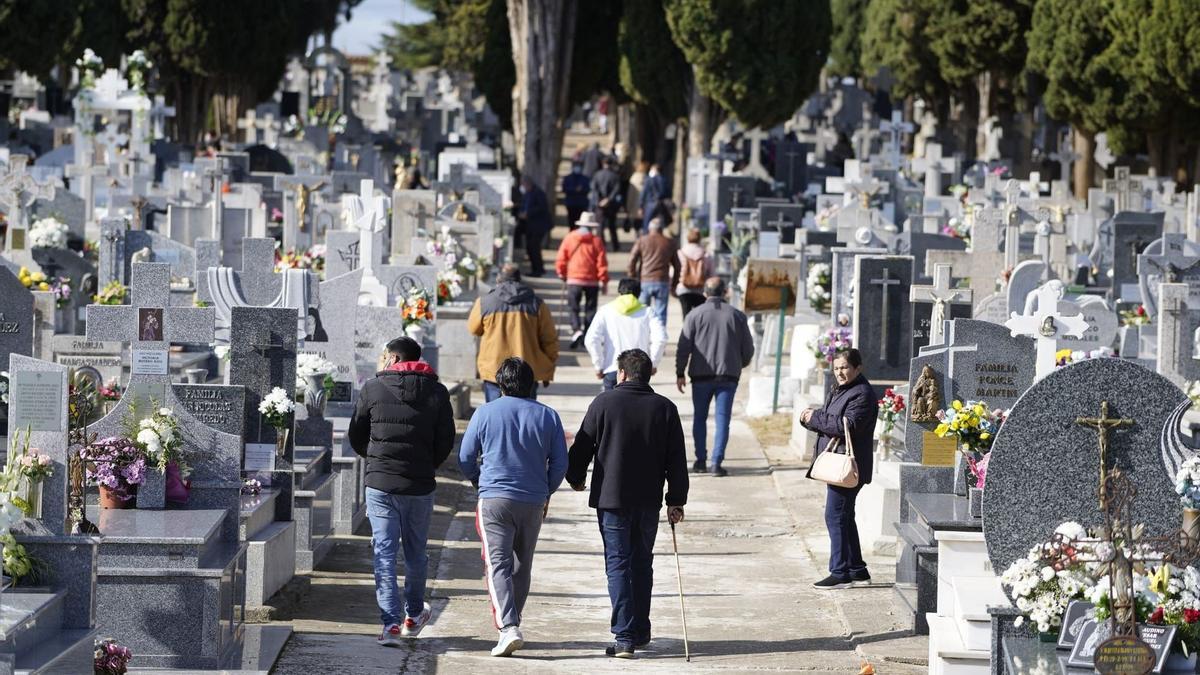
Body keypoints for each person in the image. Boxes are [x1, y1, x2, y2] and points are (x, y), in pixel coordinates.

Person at [567, 349, 689, 659]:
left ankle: (624, 636)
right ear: (648, 375)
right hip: (648, 500)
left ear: (621, 373)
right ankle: (640, 629)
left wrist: (575, 477)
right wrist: (676, 499)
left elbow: (582, 446)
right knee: (641, 562)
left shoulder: (604, 403)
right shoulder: (665, 408)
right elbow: (676, 459)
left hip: (612, 499)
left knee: (618, 564)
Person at [458, 357, 569, 657]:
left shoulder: (485, 413)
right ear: (530, 383)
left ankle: (508, 626)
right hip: (533, 499)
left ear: (500, 383)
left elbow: (466, 457)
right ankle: (512, 622)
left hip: (494, 497)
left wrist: (479, 481)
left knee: (497, 564)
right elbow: (560, 462)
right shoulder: (548, 416)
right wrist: (546, 490)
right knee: (522, 564)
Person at [348, 336, 455, 645]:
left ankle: (390, 624)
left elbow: (357, 433)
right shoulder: (437, 392)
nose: (381, 362)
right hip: (419, 485)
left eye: (384, 357)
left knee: (383, 552)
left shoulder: (372, 388)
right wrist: (426, 465)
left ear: (394, 359)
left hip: (381, 484)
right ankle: (413, 613)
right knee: (415, 552)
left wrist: (376, 459)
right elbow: (445, 440)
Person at [799, 349, 876, 589]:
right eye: (836, 368)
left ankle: (840, 572)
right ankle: (857, 569)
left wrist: (814, 418)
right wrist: (810, 418)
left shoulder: (862, 394)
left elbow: (847, 426)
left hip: (848, 467)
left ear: (858, 368)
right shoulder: (841, 390)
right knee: (844, 516)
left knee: (835, 515)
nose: (840, 372)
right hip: (838, 463)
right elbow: (830, 419)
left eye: (844, 367)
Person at [674, 277, 755, 477]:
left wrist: (680, 371)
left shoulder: (694, 315)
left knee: (699, 418)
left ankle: (700, 460)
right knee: (722, 420)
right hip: (728, 375)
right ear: (726, 292)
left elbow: (683, 347)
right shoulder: (737, 315)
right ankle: (716, 463)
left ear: (705, 293)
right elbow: (748, 348)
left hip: (701, 375)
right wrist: (739, 363)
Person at [468, 264, 559, 403]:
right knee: (526, 416)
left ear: (499, 280)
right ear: (519, 279)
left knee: (495, 416)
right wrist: (548, 368)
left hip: (494, 369)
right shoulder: (537, 304)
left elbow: (474, 329)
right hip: (527, 370)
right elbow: (549, 339)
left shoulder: (484, 302)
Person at [584, 278, 667, 392]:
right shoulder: (648, 312)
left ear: (619, 291)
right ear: (639, 293)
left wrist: (599, 365)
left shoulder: (605, 311)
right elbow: (661, 339)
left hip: (613, 369)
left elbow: (591, 339)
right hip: (639, 371)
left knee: (611, 408)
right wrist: (653, 363)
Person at [555, 212, 609, 348]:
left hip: (574, 279)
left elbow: (561, 257)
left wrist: (561, 273)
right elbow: (601, 262)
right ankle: (587, 335)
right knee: (590, 309)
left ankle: (576, 330)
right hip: (592, 281)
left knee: (573, 307)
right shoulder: (596, 241)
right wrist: (604, 280)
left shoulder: (570, 238)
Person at [627, 219, 680, 328]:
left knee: (642, 313)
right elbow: (677, 266)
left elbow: (631, 260)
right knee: (660, 314)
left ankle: (642, 338)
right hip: (662, 281)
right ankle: (659, 340)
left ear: (650, 229)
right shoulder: (669, 242)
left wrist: (632, 278)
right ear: (661, 229)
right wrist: (674, 284)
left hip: (645, 281)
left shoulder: (642, 240)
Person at [676, 229, 714, 321]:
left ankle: (687, 334)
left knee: (686, 317)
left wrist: (673, 286)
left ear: (687, 238)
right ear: (699, 239)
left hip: (683, 289)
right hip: (700, 290)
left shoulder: (680, 253)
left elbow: (674, 272)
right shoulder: (705, 254)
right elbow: (711, 274)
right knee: (700, 317)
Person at [518, 175, 552, 277]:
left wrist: (528, 214)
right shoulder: (528, 193)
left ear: (528, 183)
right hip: (530, 226)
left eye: (523, 184)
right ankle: (537, 268)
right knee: (531, 248)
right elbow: (524, 205)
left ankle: (538, 270)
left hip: (538, 226)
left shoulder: (538, 193)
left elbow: (542, 208)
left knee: (534, 247)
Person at [590, 157, 623, 252]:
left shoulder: (597, 174)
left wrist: (599, 200)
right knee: (612, 226)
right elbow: (616, 190)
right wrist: (608, 199)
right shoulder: (615, 176)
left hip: (599, 205)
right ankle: (615, 246)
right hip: (611, 205)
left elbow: (594, 189)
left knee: (600, 227)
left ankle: (601, 246)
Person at [638, 164, 670, 233]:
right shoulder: (664, 180)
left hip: (650, 204)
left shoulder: (648, 180)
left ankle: (647, 241)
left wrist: (640, 206)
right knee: (660, 225)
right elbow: (668, 193)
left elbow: (643, 194)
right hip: (661, 205)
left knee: (646, 225)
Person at [562, 162, 591, 231]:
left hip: (581, 204)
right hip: (571, 203)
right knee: (571, 221)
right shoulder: (568, 178)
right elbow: (564, 189)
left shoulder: (585, 178)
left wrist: (581, 190)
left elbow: (588, 189)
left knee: (581, 222)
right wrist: (574, 190)